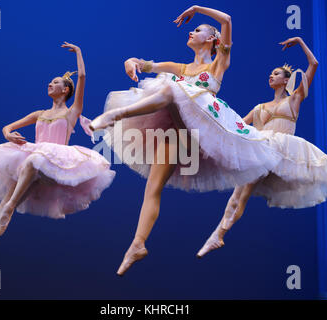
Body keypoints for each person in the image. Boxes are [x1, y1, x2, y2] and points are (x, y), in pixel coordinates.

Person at [89, 5, 285, 276]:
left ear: (212, 40)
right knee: (152, 187)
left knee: (171, 87)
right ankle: (137, 244)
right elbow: (146, 64)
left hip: (204, 132)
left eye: (197, 29)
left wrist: (196, 8)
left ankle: (115, 115)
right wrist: (131, 62)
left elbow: (227, 19)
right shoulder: (179, 67)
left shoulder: (218, 63)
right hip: (178, 135)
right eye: (193, 28)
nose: (191, 31)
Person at [0, 42, 115, 273]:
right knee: (4, 205)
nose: (50, 84)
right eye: (50, 82)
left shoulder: (72, 113)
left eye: (55, 82)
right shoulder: (39, 114)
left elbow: (81, 76)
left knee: (34, 162)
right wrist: (9, 135)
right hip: (33, 161)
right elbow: (7, 127)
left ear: (66, 90)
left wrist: (79, 52)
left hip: (56, 165)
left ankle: (11, 205)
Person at [196, 37, 327, 257]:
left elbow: (314, 65)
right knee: (239, 195)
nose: (271, 76)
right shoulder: (259, 107)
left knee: (241, 193)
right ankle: (218, 235)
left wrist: (300, 42)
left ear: (285, 81)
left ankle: (217, 235)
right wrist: (212, 112)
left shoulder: (294, 100)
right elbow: (236, 125)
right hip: (259, 148)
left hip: (278, 149)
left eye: (276, 74)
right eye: (270, 74)